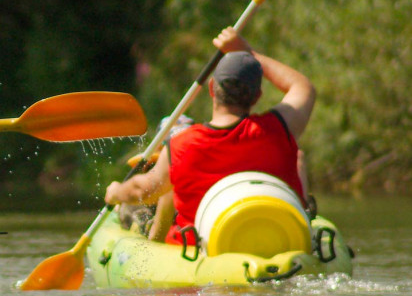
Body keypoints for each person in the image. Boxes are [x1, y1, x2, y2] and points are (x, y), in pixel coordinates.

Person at [104, 27, 316, 246]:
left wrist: (117, 192)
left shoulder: (180, 146)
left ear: (212, 89)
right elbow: (303, 86)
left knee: (163, 193)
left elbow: (145, 190)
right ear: (257, 96)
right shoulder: (278, 128)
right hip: (282, 242)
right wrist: (247, 51)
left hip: (204, 255)